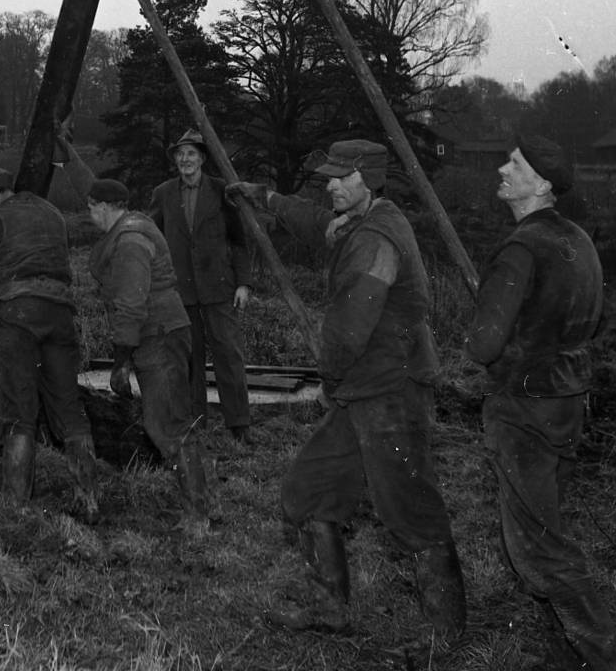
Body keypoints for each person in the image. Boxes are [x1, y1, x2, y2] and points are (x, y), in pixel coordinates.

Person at [228, 140, 465, 643]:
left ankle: (445, 637)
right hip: (363, 389)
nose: (331, 185)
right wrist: (266, 196)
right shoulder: (361, 219)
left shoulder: (376, 239)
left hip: (390, 391)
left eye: (342, 178)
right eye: (328, 178)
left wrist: (329, 382)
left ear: (370, 180)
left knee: (409, 508)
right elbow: (318, 223)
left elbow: (346, 330)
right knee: (307, 490)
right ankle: (330, 610)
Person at [467, 135, 616, 670]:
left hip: (524, 407)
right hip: (570, 400)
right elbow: (596, 319)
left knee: (539, 547)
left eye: (513, 163)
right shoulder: (578, 239)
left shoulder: (520, 247)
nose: (501, 167)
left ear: (539, 184)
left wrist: (492, 324)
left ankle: (607, 658)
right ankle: (569, 652)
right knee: (544, 524)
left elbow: (483, 343)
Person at [56, 137, 221, 535]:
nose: (89, 213)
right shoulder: (129, 221)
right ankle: (201, 505)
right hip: (163, 331)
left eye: (92, 208)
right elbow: (89, 184)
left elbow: (131, 309)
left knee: (166, 425)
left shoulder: (130, 243)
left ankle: (197, 516)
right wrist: (67, 147)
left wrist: (119, 364)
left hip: (158, 336)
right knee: (172, 422)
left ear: (107, 208)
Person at [0, 167, 99, 520]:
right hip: (60, 314)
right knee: (69, 410)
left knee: (17, 412)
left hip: (16, 316)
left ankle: (16, 507)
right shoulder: (52, 213)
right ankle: (90, 500)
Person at [149, 129, 255, 444]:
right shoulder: (163, 193)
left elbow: (240, 241)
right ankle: (196, 423)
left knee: (229, 355)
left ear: (203, 158)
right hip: (180, 293)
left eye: (191, 154)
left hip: (220, 288)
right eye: (180, 154)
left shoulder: (224, 192)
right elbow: (151, 238)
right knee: (188, 358)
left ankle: (239, 425)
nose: (185, 159)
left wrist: (244, 283)